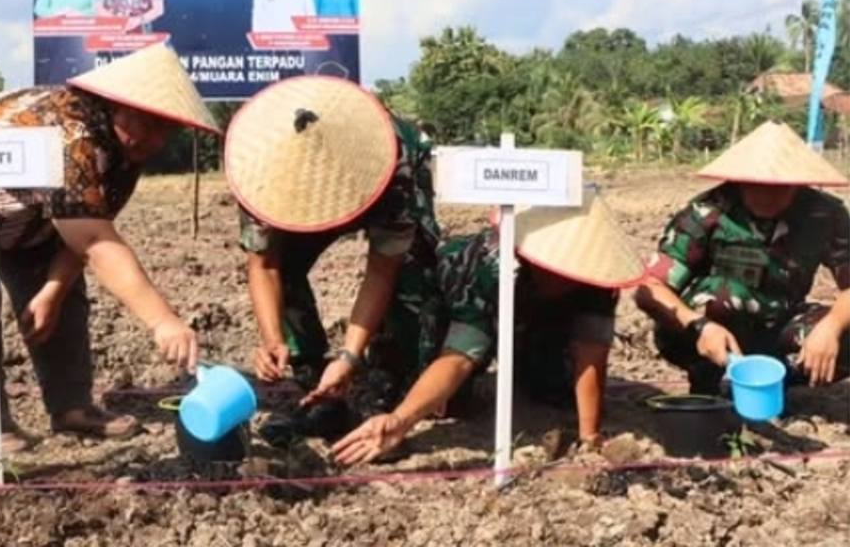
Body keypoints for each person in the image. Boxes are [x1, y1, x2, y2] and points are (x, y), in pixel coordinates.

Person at [0, 43, 218, 453]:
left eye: (166, 130)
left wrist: (51, 291)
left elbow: (86, 233)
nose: (154, 141)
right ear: (118, 105)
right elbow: (98, 244)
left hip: (25, 206)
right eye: (147, 124)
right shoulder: (72, 132)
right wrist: (162, 320)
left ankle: (71, 407)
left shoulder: (122, 152)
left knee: (64, 292)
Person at [331, 191, 646, 464]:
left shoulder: (596, 279)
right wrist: (401, 420)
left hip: (537, 316)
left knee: (555, 391)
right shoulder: (490, 267)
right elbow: (459, 357)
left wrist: (589, 437)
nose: (563, 277)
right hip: (450, 300)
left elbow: (590, 355)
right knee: (448, 404)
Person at [223, 75, 441, 433]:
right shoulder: (257, 168)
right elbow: (265, 264)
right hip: (284, 184)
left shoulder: (396, 162)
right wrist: (272, 338)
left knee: (414, 271)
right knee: (287, 269)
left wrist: (350, 355)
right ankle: (314, 384)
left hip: (379, 180)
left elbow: (382, 270)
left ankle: (382, 387)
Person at [636, 121, 850, 396]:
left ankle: (774, 381)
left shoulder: (824, 215)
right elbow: (649, 288)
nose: (768, 195)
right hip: (712, 329)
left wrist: (830, 328)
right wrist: (699, 325)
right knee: (726, 297)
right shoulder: (708, 213)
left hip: (781, 323)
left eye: (781, 187)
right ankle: (706, 384)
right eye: (758, 185)